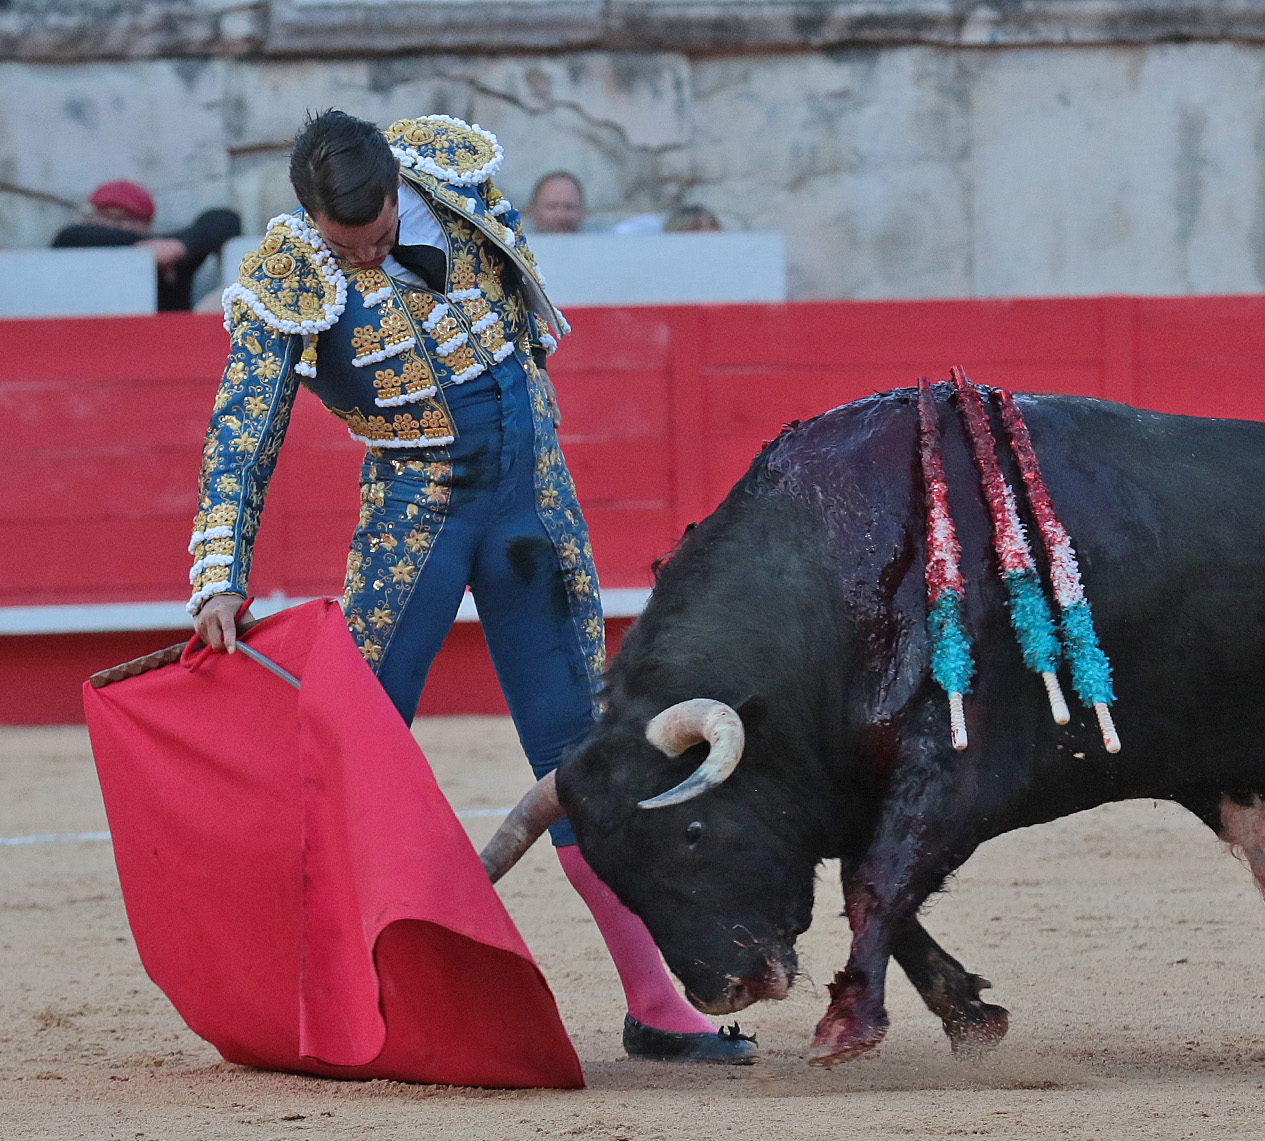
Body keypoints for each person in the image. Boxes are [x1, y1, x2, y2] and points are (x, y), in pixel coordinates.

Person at [185, 110, 756, 1064]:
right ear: (310, 218)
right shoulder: (290, 272)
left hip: (532, 503)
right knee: (352, 756)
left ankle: (658, 1004)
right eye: (346, 244)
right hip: (418, 520)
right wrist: (219, 572)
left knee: (582, 755)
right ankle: (320, 1002)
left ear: (393, 191)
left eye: (374, 237)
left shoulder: (449, 176)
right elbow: (242, 430)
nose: (364, 256)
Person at [52, 180, 241, 311]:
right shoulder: (78, 244)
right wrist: (145, 252)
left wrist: (178, 247)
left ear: (147, 224)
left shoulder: (175, 255)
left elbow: (225, 220)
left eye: (128, 219)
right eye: (107, 217)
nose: (117, 226)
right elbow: (69, 236)